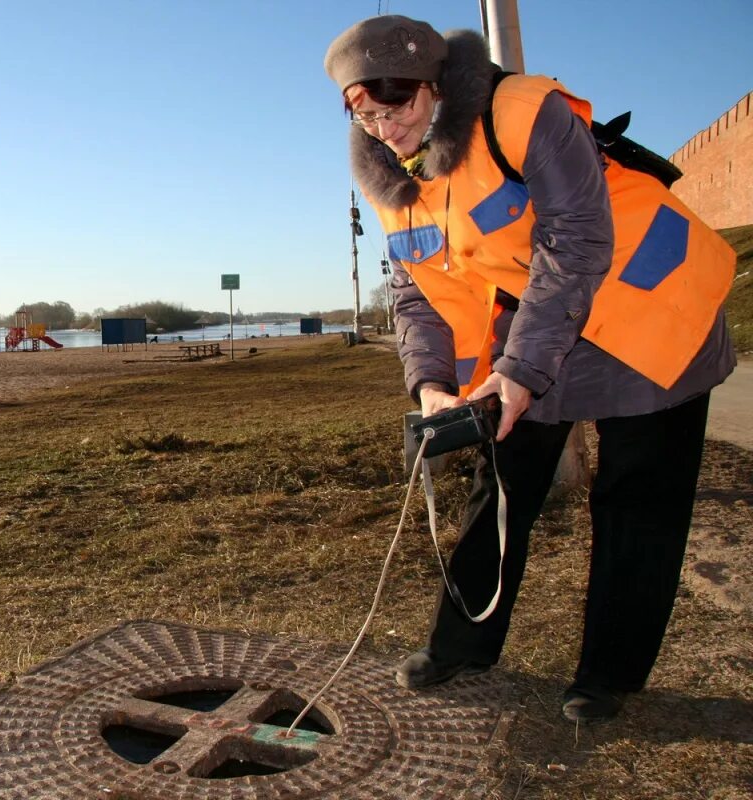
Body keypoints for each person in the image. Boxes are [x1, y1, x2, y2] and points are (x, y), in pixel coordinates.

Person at [324, 16, 735, 722]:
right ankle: (464, 644)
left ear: (437, 87)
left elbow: (575, 243)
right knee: (504, 480)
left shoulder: (523, 113)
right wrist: (432, 386)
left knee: (638, 499)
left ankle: (608, 675)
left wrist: (518, 371)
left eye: (399, 109)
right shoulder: (392, 177)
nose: (386, 130)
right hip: (540, 324)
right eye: (367, 116)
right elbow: (416, 289)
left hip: (649, 307)